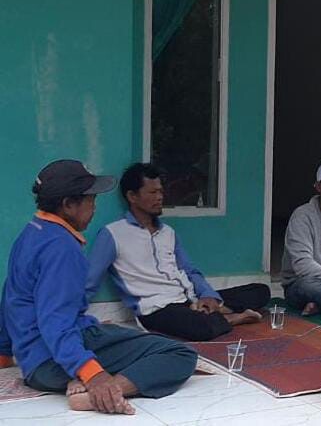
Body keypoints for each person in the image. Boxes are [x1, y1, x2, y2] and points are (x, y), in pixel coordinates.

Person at [0, 160, 197, 415]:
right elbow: (56, 320)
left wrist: (4, 352)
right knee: (178, 354)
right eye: (91, 200)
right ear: (68, 205)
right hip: (52, 362)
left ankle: (80, 377)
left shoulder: (32, 232)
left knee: (114, 333)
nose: (94, 207)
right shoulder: (62, 247)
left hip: (34, 363)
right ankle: (104, 392)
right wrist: (93, 375)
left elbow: (10, 297)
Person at [87, 163, 270, 341]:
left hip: (188, 298)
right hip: (156, 309)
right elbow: (90, 281)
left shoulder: (168, 232)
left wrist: (208, 296)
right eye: (152, 192)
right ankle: (230, 317)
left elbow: (190, 271)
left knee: (260, 291)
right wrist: (77, 316)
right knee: (201, 327)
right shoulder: (113, 234)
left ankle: (213, 311)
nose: (160, 197)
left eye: (161, 191)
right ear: (132, 196)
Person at [280, 159, 321, 315]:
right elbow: (303, 266)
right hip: (304, 283)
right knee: (309, 287)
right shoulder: (303, 216)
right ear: (319, 187)